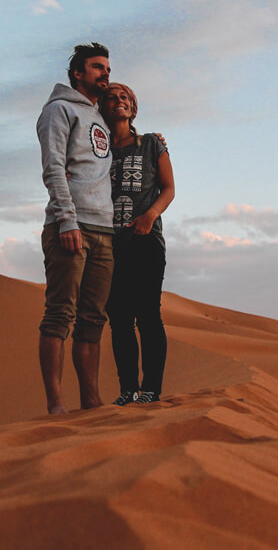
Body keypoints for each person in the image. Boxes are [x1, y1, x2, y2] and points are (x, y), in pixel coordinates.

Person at [35, 42, 115, 414]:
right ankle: (55, 405)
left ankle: (91, 401)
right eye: (97, 67)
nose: (105, 74)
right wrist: (66, 219)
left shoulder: (100, 118)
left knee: (93, 319)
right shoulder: (59, 110)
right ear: (78, 73)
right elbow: (53, 168)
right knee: (60, 314)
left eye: (108, 69)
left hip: (104, 229)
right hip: (71, 226)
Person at [100, 82, 175, 405]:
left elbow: (169, 188)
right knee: (118, 318)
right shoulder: (96, 149)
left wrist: (150, 215)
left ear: (133, 107)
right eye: (112, 98)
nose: (119, 101)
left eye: (125, 97)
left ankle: (151, 389)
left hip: (146, 240)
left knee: (148, 315)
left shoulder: (151, 145)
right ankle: (127, 388)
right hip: (107, 243)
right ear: (102, 107)